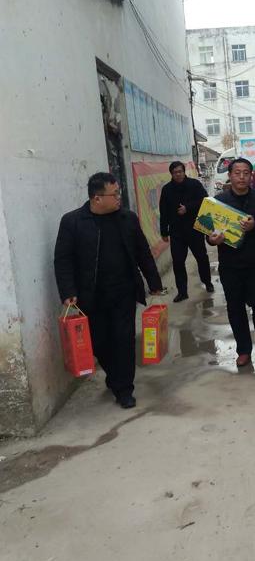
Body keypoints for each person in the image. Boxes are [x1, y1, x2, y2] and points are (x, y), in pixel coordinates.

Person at [54, 172, 164, 408]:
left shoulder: (127, 218)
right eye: (114, 194)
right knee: (100, 342)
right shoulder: (73, 222)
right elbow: (63, 260)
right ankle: (115, 377)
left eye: (118, 193)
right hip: (91, 295)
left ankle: (124, 389)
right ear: (97, 198)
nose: (118, 198)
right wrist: (68, 291)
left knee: (124, 340)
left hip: (124, 291)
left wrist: (154, 282)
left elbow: (142, 252)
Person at [207, 158, 255, 367]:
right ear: (230, 175)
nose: (242, 177)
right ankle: (244, 350)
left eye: (246, 173)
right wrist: (213, 239)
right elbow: (208, 234)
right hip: (230, 265)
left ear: (251, 176)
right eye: (237, 173)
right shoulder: (219, 202)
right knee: (235, 309)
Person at [159, 161, 213, 302]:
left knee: (201, 257)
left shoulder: (194, 185)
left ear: (184, 172)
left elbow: (205, 200)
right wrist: (164, 231)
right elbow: (163, 211)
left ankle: (207, 282)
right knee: (178, 262)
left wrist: (188, 208)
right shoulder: (167, 189)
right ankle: (182, 292)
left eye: (180, 171)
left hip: (194, 229)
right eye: (175, 172)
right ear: (171, 174)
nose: (178, 174)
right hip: (176, 232)